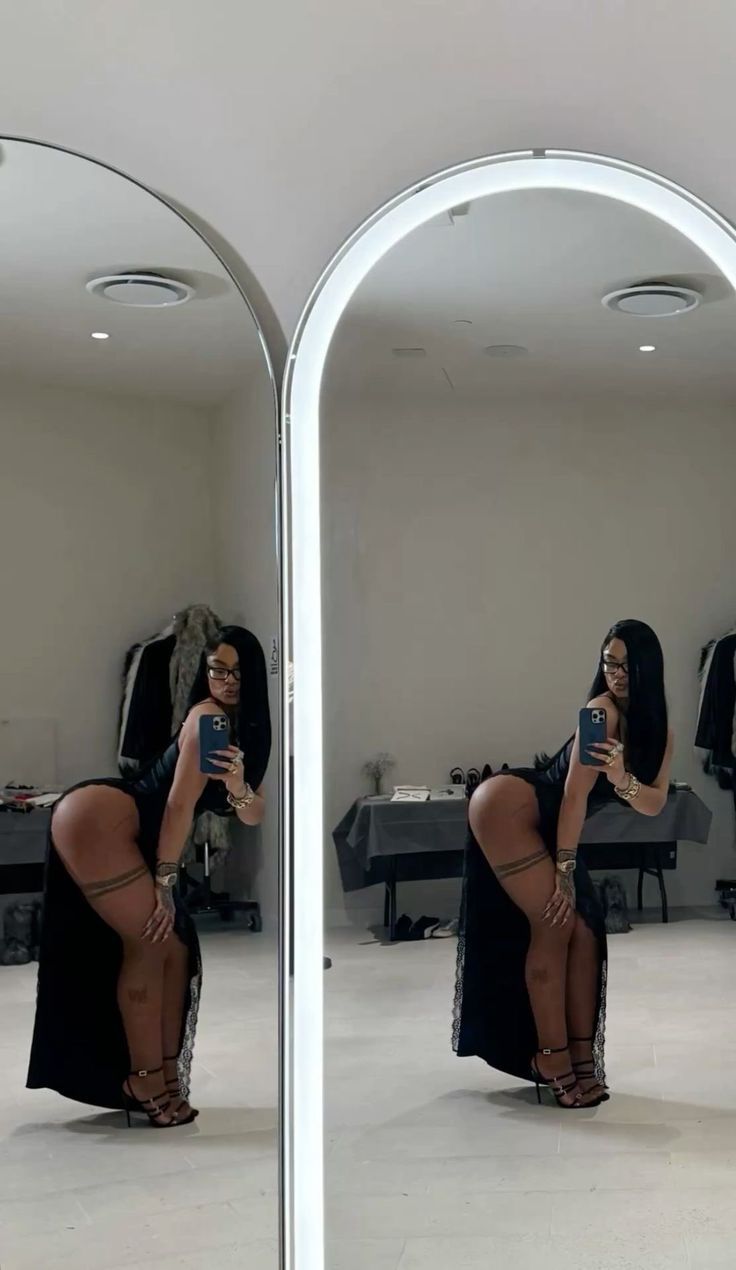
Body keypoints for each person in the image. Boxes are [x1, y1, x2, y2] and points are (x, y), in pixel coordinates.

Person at [27, 625, 270, 1127]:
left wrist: (236, 783)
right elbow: (179, 805)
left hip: (129, 828)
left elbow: (253, 815)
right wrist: (164, 882)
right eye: (217, 670)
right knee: (152, 942)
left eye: (237, 672)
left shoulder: (242, 729)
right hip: (108, 820)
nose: (226, 681)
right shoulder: (207, 718)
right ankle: (144, 1079)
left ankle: (164, 1077)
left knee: (175, 952)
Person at [452, 619, 671, 1109]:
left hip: (548, 825)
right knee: (556, 921)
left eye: (626, 665)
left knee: (587, 933)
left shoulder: (660, 733)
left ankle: (580, 1058)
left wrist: (621, 775)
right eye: (608, 663)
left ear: (648, 669)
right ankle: (551, 1058)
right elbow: (572, 796)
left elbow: (655, 803)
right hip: (513, 808)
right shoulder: (600, 713)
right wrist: (565, 871)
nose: (616, 674)